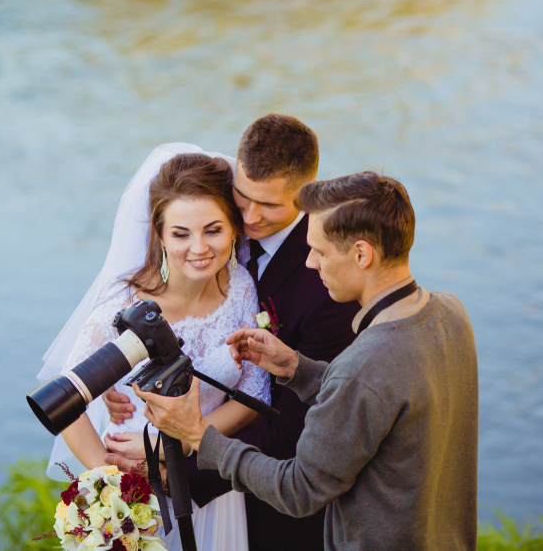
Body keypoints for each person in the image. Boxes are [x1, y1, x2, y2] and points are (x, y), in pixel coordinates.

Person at [133, 172, 480, 551]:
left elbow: (298, 490)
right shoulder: (450, 311)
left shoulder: (362, 367)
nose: (311, 263)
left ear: (362, 254)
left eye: (320, 251)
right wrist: (298, 367)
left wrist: (199, 435)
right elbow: (380, 396)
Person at [101, 115, 358, 551]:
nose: (251, 217)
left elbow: (294, 431)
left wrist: (172, 460)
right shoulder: (215, 227)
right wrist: (117, 378)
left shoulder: (327, 287)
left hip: (263, 502)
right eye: (242, 196)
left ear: (306, 195)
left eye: (271, 206)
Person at [39, 146, 270, 551]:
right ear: (160, 235)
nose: (198, 248)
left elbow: (254, 395)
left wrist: (174, 445)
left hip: (211, 483)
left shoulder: (241, 290)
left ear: (234, 229)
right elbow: (64, 399)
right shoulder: (126, 305)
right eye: (180, 234)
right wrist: (110, 477)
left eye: (212, 230)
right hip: (138, 491)